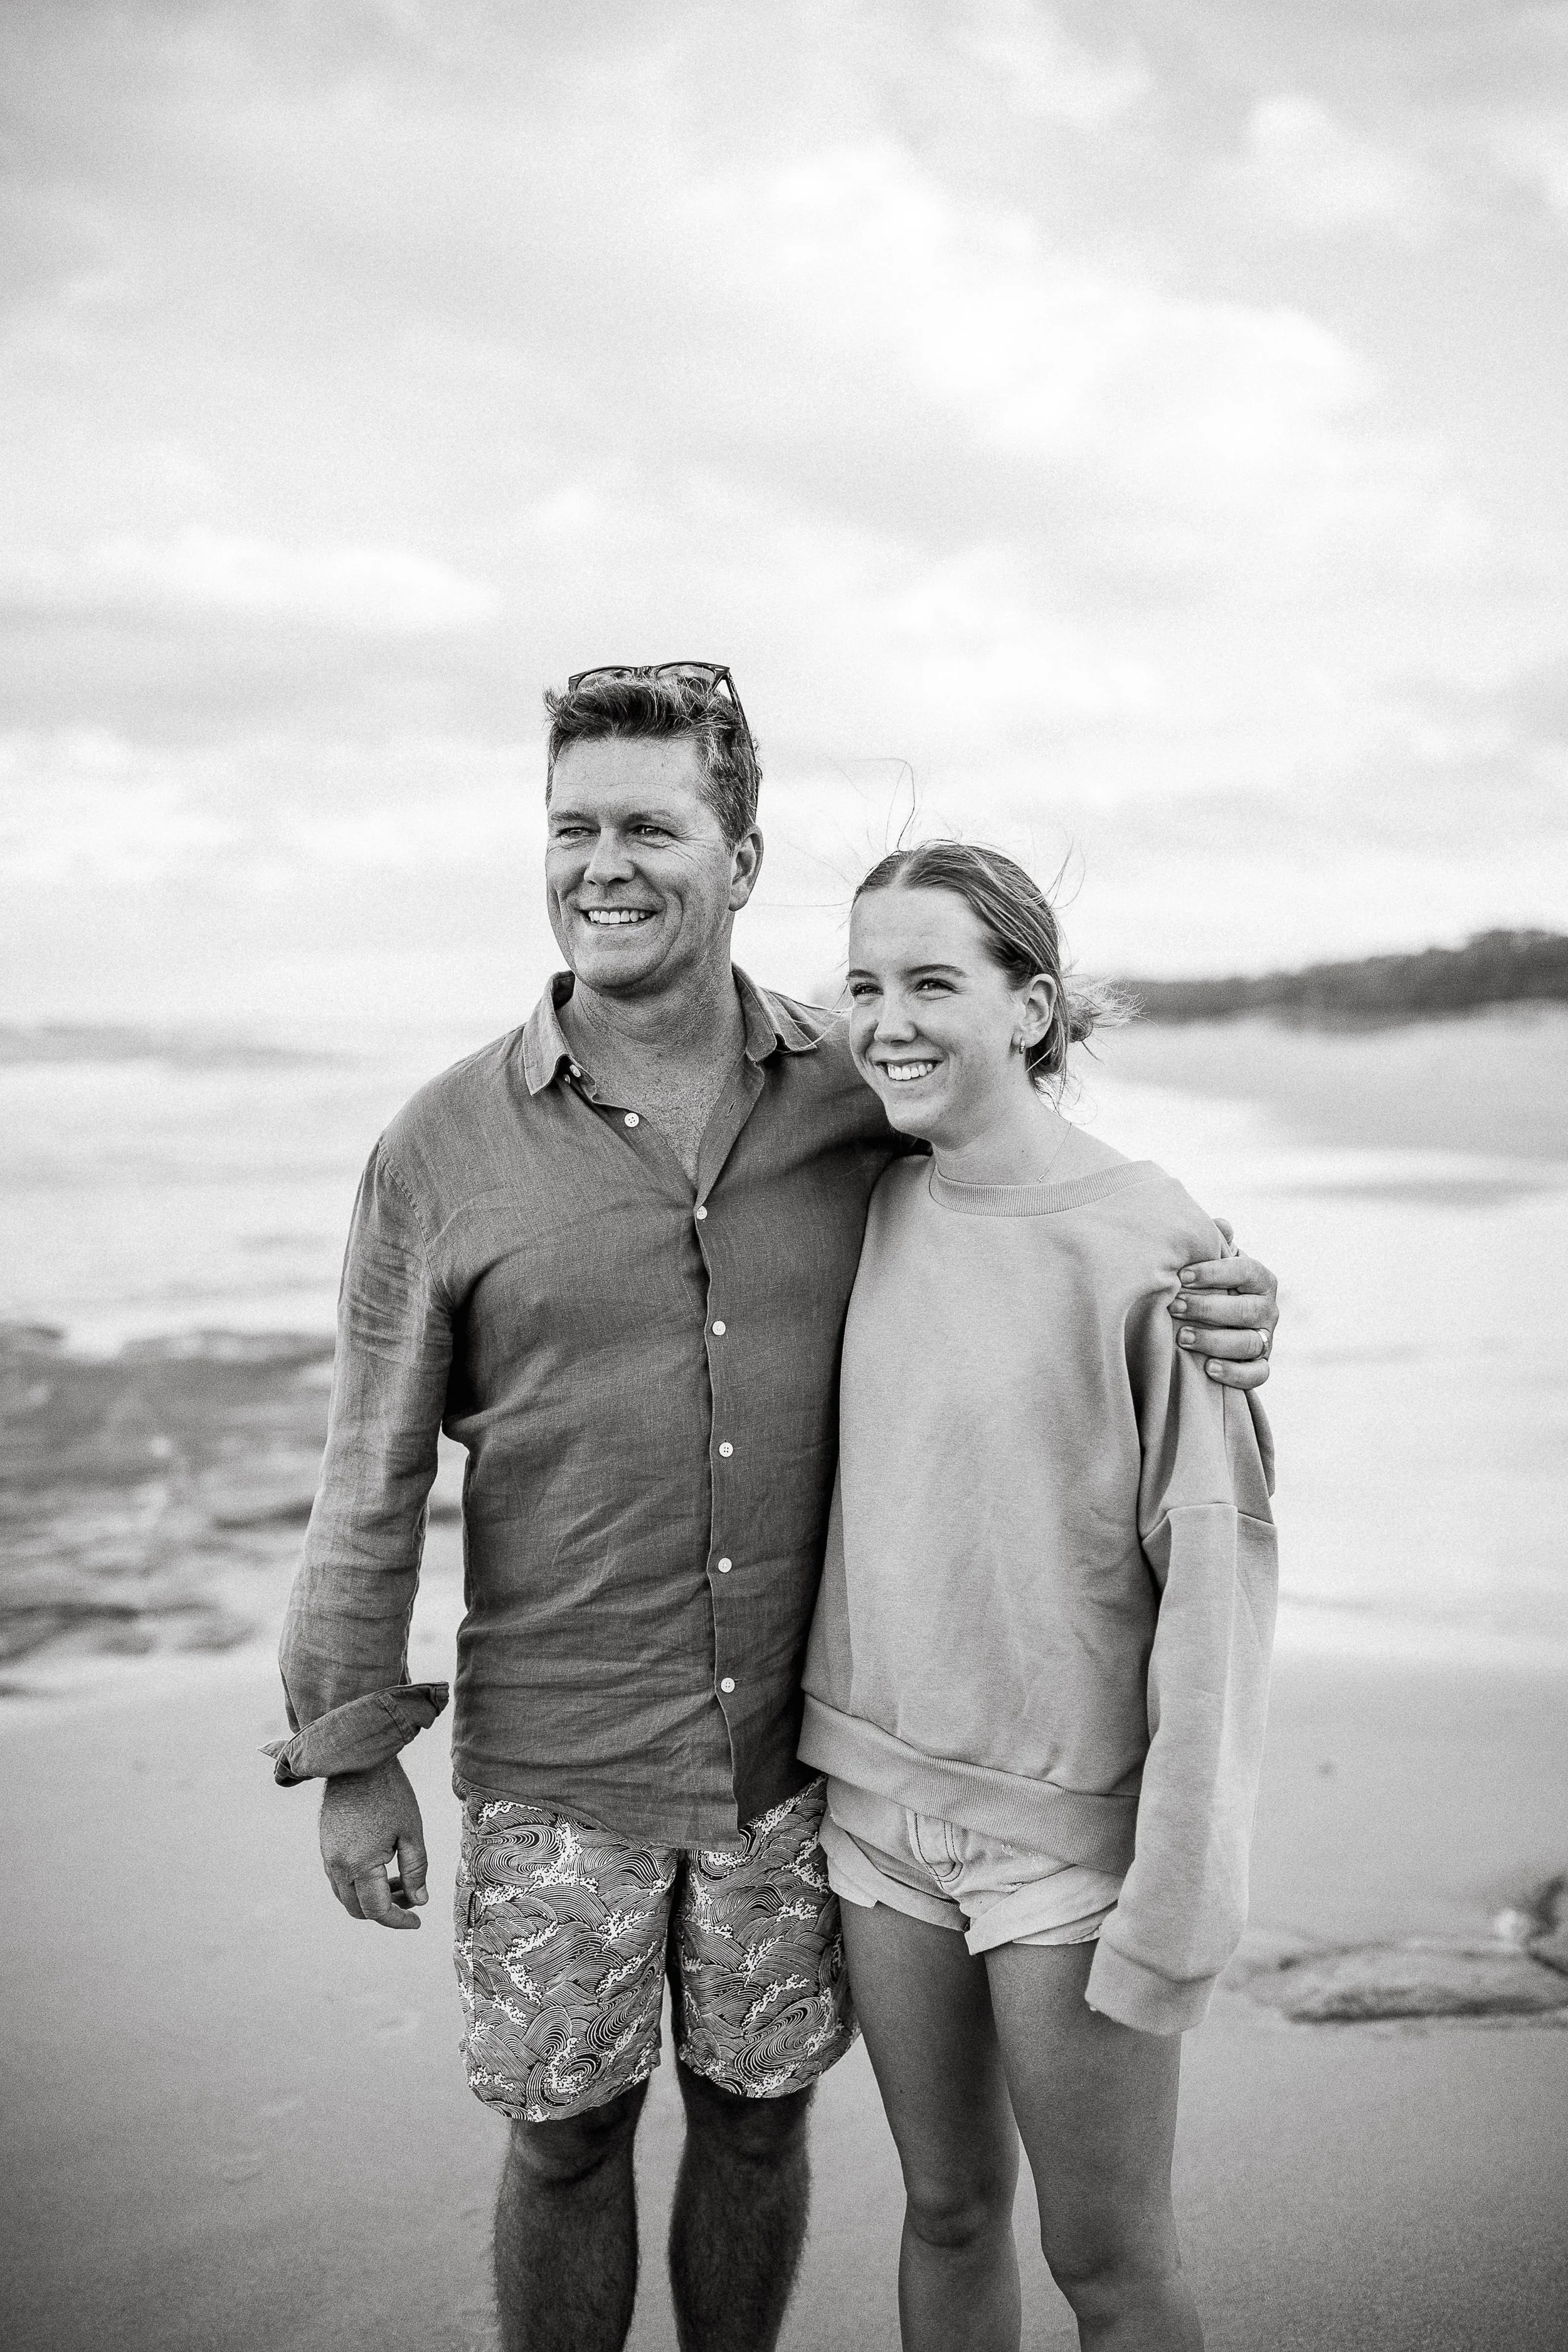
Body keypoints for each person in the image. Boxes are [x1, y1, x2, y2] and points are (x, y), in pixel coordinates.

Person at [267, 666, 1281, 2352]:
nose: (606, 861)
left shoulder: (848, 1094)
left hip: (790, 1766)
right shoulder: (441, 1143)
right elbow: (367, 1462)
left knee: (759, 2112)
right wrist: (349, 1745)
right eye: (573, 824)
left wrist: (1232, 1292)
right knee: (565, 2128)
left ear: (736, 853)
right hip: (559, 1748)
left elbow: (1041, 1208)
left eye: (649, 823)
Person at [798, 840, 1278, 2352]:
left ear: (1032, 1009)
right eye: (865, 985)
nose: (889, 1020)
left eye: (934, 981)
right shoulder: (864, 1204)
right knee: (942, 2214)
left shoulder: (1153, 1247)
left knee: (1108, 2264)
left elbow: (1215, 1587)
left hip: (1065, 1850)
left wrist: (1176, 1900)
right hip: (872, 1821)